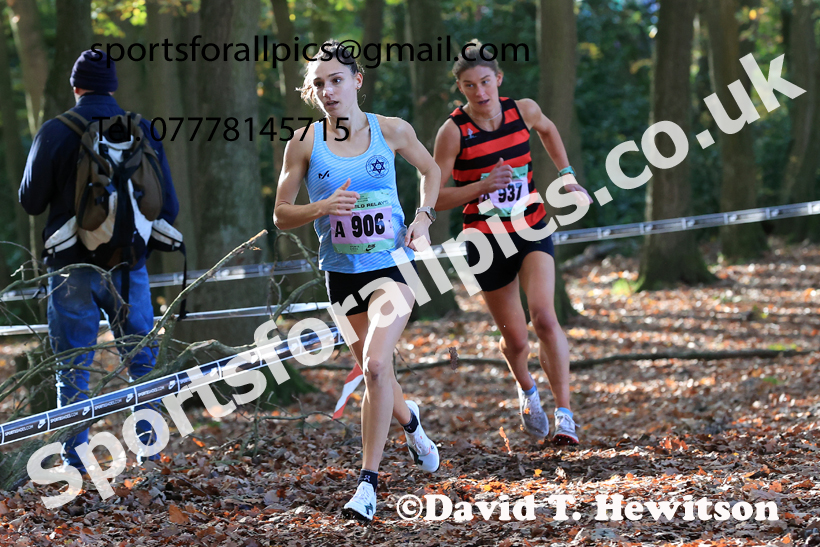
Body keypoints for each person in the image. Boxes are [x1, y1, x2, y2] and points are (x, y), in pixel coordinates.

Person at [273, 41, 441, 522]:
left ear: (356, 80)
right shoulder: (304, 142)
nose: (328, 91)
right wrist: (321, 207)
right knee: (377, 373)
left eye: (336, 80)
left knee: (375, 364)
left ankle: (367, 484)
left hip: (392, 266)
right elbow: (281, 214)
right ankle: (412, 424)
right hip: (342, 275)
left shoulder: (391, 130)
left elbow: (431, 170)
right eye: (319, 84)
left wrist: (424, 218)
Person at [19, 50, 179, 470]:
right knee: (143, 361)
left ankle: (75, 463)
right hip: (129, 267)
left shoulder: (55, 131)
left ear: (76, 87)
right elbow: (170, 207)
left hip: (70, 269)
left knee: (72, 367)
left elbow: (31, 201)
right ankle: (150, 455)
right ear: (113, 87)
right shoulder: (142, 129)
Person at [433, 41, 591, 446]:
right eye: (470, 85)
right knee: (517, 338)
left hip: (532, 228)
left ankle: (565, 415)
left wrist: (567, 176)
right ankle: (527, 389)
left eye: (486, 82)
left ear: (499, 79)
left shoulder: (524, 111)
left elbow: (549, 130)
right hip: (486, 242)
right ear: (460, 88)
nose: (480, 92)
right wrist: (482, 186)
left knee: (545, 317)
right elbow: (433, 196)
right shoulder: (453, 132)